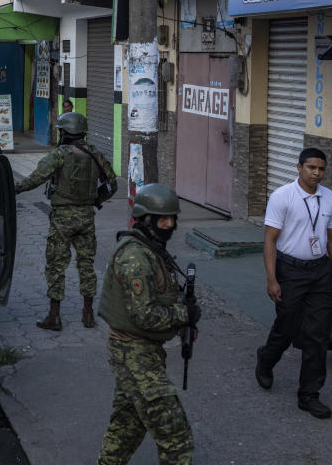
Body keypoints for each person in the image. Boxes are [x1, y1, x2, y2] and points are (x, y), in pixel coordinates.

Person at [96, 183, 197, 465]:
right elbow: (145, 315)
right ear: (144, 219)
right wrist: (185, 315)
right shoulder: (136, 258)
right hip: (135, 355)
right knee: (176, 439)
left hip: (141, 352)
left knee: (126, 429)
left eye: (172, 219)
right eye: (161, 219)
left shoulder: (151, 249)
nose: (169, 225)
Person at [255, 147, 332, 419]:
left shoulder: (329, 198)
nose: (316, 173)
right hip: (290, 270)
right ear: (299, 168)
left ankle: (309, 395)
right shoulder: (282, 197)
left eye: (321, 169)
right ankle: (266, 359)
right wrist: (272, 279)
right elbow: (270, 240)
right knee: (287, 326)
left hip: (320, 272)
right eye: (311, 168)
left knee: (317, 335)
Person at [14, 112, 118, 329]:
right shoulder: (95, 154)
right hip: (86, 218)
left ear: (66, 132)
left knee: (56, 266)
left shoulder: (60, 155)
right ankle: (88, 314)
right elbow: (112, 183)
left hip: (62, 219)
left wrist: (13, 189)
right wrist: (96, 200)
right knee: (87, 265)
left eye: (61, 130)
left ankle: (54, 316)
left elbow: (36, 178)